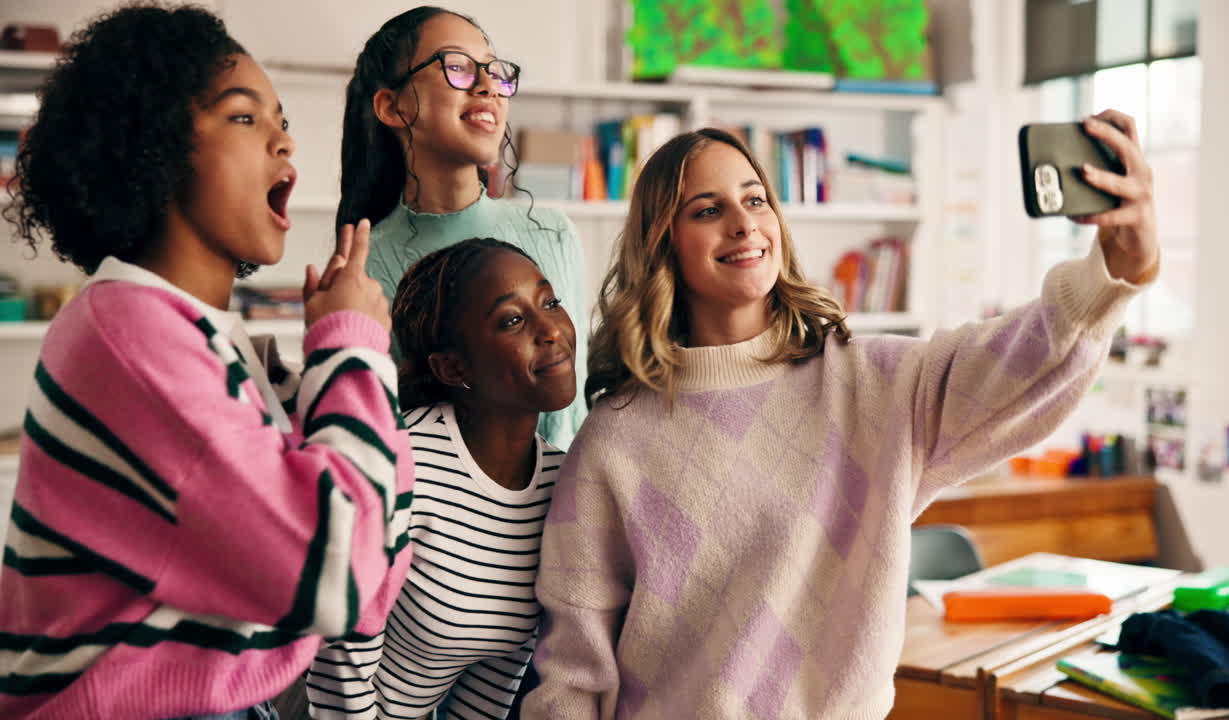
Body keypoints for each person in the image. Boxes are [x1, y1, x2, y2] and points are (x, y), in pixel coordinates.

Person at [526, 118, 1160, 719]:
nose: (744, 226)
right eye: (708, 210)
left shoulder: (873, 384)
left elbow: (1022, 360)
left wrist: (1118, 266)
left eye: (755, 200)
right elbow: (575, 675)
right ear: (663, 243)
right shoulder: (614, 440)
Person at [0, 5, 412, 719]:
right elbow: (339, 574)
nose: (285, 140)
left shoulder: (208, 342)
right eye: (245, 118)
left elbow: (373, 569)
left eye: (281, 119)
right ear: (151, 144)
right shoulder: (126, 333)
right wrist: (349, 346)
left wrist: (336, 364)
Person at [307, 239, 577, 719]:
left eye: (549, 302)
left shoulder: (563, 483)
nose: (550, 330)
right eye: (512, 320)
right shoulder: (400, 462)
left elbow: (499, 674)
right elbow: (338, 666)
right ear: (452, 367)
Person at [339, 6, 588, 450]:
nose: (489, 86)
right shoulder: (362, 265)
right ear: (392, 106)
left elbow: (574, 414)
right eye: (457, 66)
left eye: (495, 71)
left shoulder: (553, 233)